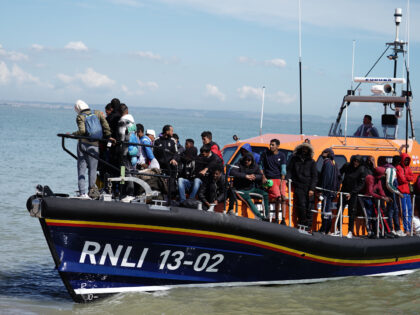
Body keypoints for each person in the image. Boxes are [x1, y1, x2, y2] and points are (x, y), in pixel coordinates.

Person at [71, 100, 112, 199]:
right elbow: (106, 126)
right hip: (95, 145)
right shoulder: (97, 113)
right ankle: (92, 191)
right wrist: (108, 136)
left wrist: (73, 134)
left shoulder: (80, 117)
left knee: (81, 168)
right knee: (93, 170)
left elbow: (82, 131)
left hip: (83, 145)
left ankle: (82, 193)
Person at [286, 143, 318, 229]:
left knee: (309, 206)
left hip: (308, 186)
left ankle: (308, 226)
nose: (304, 150)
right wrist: (287, 180)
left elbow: (315, 176)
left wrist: (312, 189)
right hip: (298, 185)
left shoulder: (312, 162)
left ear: (309, 150)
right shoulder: (294, 160)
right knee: (301, 205)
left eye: (306, 149)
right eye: (303, 148)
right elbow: (289, 171)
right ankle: (302, 223)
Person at [230, 152, 269, 220]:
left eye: (249, 160)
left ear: (252, 160)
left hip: (251, 188)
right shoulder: (239, 164)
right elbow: (232, 172)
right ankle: (260, 217)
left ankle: (266, 216)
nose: (246, 161)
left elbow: (260, 175)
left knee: (265, 194)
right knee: (248, 199)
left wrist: (254, 176)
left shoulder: (255, 165)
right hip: (240, 189)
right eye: (245, 159)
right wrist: (245, 176)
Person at [340, 155, 366, 238]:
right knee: (339, 209)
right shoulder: (347, 166)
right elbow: (339, 173)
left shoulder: (362, 170)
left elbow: (361, 184)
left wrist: (351, 193)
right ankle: (338, 229)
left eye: (358, 161)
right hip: (344, 191)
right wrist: (340, 182)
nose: (356, 163)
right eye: (355, 161)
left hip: (353, 194)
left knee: (351, 212)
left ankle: (350, 231)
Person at [361, 167, 392, 238]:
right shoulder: (370, 178)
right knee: (368, 216)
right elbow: (370, 192)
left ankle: (378, 232)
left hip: (372, 198)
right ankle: (370, 232)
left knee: (374, 216)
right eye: (383, 174)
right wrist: (382, 197)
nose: (384, 175)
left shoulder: (378, 180)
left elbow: (380, 190)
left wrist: (385, 197)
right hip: (365, 198)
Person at [318, 148, 340, 234]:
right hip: (332, 191)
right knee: (328, 211)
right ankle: (327, 229)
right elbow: (339, 177)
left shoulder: (327, 163)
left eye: (324, 152)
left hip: (326, 191)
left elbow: (326, 178)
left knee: (325, 210)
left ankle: (324, 229)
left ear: (327, 154)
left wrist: (322, 190)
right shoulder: (334, 163)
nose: (322, 153)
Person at [117, 104, 137, 201]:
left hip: (124, 150)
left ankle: (127, 192)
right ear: (127, 111)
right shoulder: (132, 121)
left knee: (124, 171)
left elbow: (121, 135)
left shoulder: (122, 121)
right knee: (131, 170)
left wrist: (118, 143)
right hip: (132, 149)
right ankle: (132, 191)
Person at [384, 155, 405, 237]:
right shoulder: (391, 169)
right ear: (398, 162)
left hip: (392, 193)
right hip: (390, 193)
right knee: (391, 211)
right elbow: (389, 184)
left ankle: (397, 229)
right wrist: (398, 192)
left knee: (395, 211)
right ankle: (391, 229)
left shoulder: (391, 168)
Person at [396, 152, 414, 235]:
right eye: (405, 160)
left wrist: (406, 177)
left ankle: (409, 229)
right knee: (404, 211)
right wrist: (407, 178)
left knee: (409, 211)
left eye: (407, 160)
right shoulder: (398, 167)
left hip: (407, 192)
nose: (406, 161)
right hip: (402, 192)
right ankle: (406, 229)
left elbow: (412, 177)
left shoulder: (408, 168)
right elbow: (401, 179)